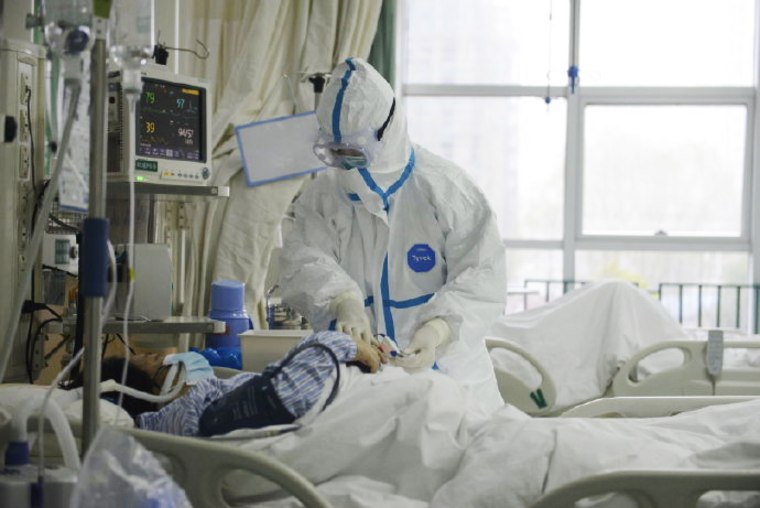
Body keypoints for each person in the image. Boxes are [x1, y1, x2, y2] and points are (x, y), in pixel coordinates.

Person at [278, 57, 506, 412]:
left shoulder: (446, 191)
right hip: (363, 387)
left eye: (355, 152)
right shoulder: (323, 198)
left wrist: (437, 330)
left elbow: (482, 277)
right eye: (336, 154)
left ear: (388, 132)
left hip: (455, 385)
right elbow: (305, 259)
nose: (347, 166)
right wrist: (343, 302)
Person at [64, 331, 383, 437]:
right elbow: (285, 395)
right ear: (140, 387)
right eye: (151, 358)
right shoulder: (191, 416)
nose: (165, 355)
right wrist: (340, 344)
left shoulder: (207, 398)